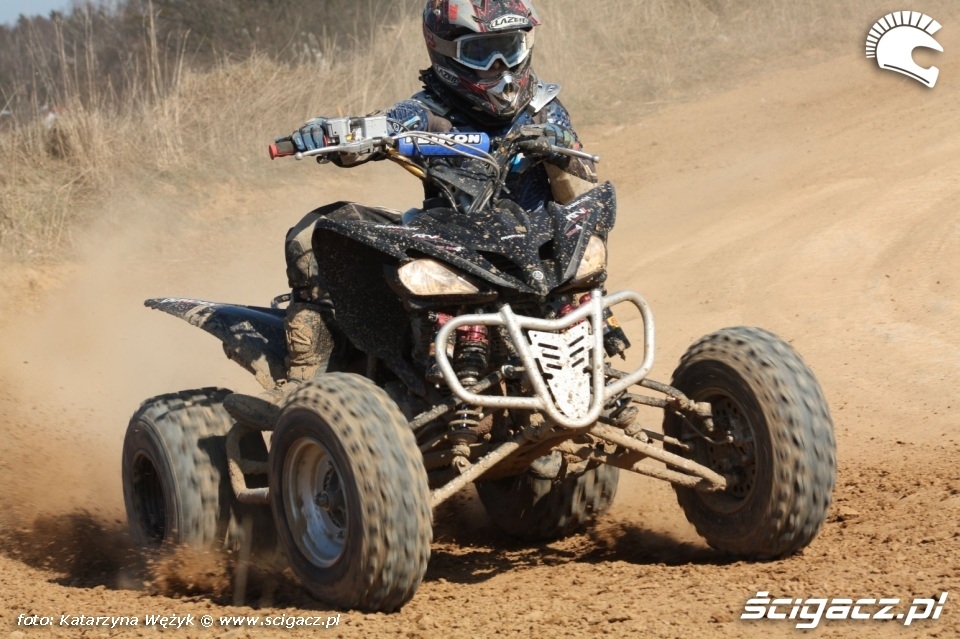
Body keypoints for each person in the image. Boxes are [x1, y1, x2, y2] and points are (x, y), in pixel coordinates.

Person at [278, 0, 598, 396]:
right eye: (481, 52)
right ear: (444, 52)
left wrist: (561, 149)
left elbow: (585, 195)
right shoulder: (429, 111)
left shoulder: (544, 109)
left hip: (540, 249)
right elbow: (385, 126)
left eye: (508, 48)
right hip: (454, 245)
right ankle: (304, 381)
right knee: (315, 234)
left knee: (588, 256)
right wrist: (336, 134)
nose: (499, 66)